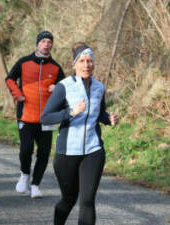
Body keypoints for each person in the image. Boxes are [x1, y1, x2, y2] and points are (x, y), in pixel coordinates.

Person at [41, 42, 119, 225]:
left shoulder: (99, 87)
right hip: (67, 152)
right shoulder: (64, 86)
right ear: (74, 64)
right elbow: (46, 117)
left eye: (89, 61)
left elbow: (99, 113)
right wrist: (71, 112)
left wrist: (109, 119)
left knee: (87, 201)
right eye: (82, 61)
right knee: (68, 199)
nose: (86, 65)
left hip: (93, 150)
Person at [5, 30, 65, 198]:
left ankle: (36, 185)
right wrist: (18, 94)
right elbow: (9, 79)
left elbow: (65, 88)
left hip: (47, 117)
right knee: (26, 149)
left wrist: (57, 88)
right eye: (44, 41)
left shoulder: (55, 67)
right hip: (26, 115)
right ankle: (24, 175)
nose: (47, 44)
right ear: (37, 43)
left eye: (49, 41)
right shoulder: (24, 62)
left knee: (44, 153)